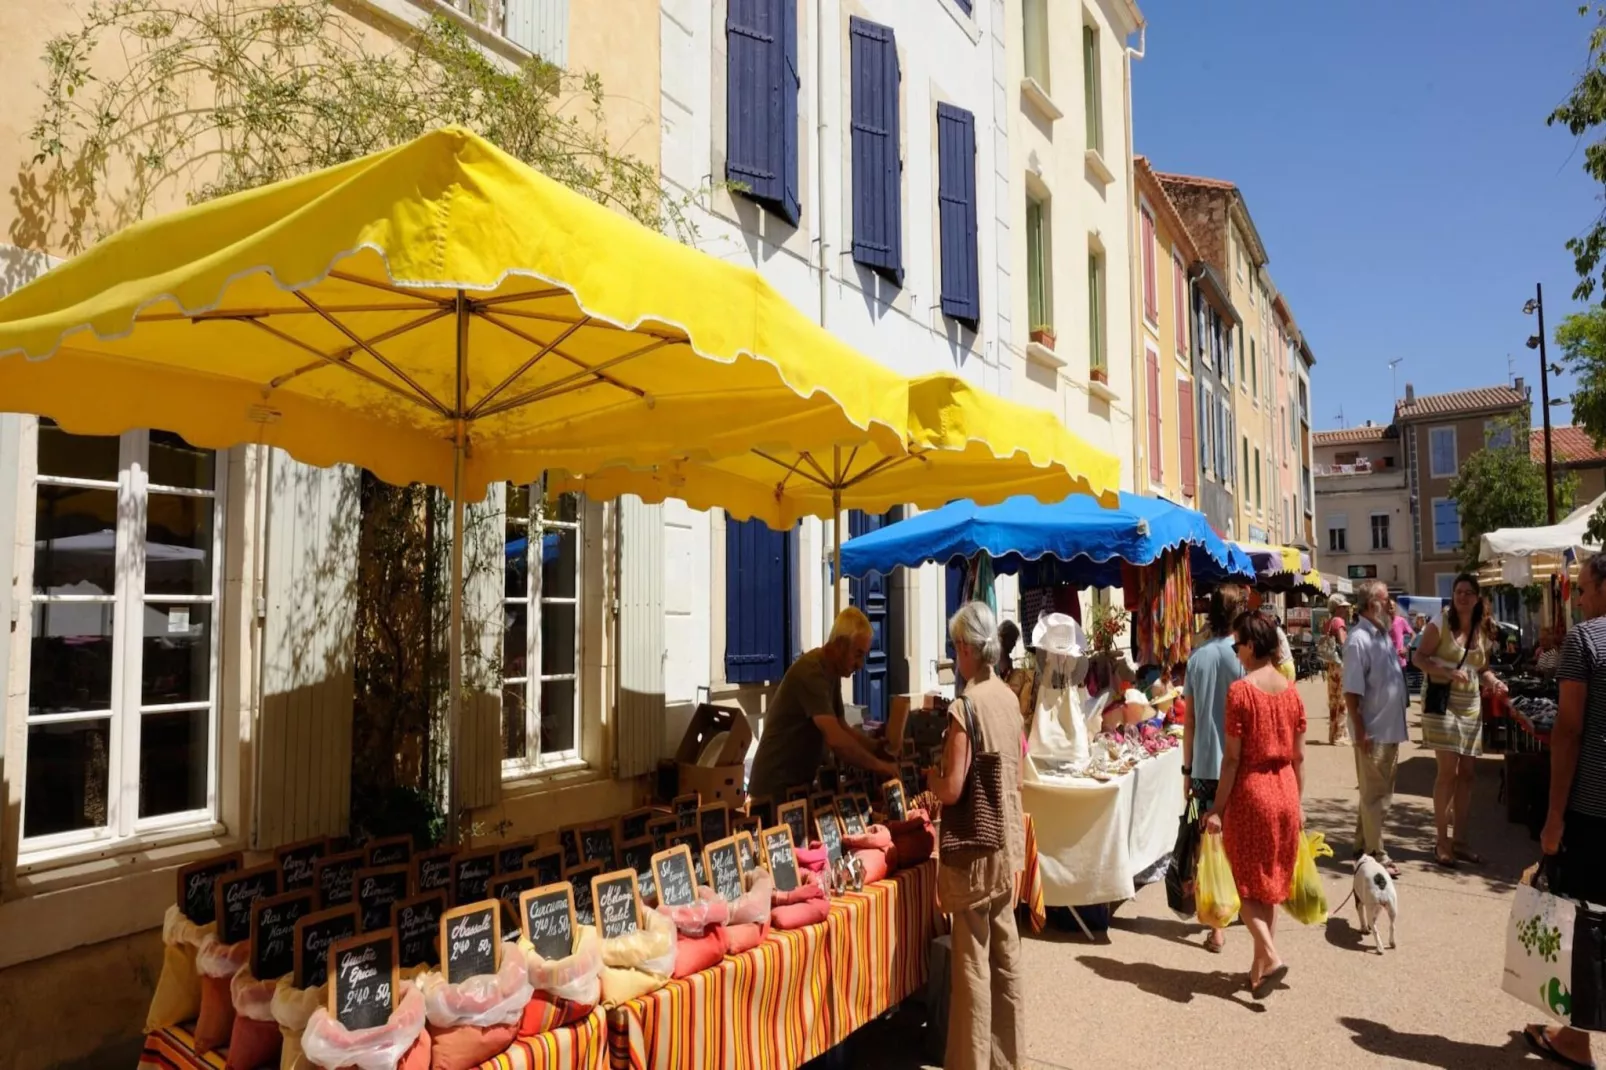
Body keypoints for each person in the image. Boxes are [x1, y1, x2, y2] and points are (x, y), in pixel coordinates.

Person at [927, 601, 1026, 1070]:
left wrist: (930, 778)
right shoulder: (1007, 696)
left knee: (972, 967)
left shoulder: (965, 707)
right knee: (1006, 961)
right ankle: (1009, 1060)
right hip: (1007, 842)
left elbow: (951, 788)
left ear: (966, 649)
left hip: (973, 852)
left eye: (955, 647)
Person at [1523, 553, 1606, 1069]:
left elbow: (1569, 733)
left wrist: (1554, 817)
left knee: (1587, 919)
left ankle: (1577, 1039)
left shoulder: (1587, 640)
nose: (1576, 598)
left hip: (1595, 806)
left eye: (1582, 589)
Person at [1203, 612, 1307, 997]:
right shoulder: (1292, 692)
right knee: (1271, 884)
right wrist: (1298, 803)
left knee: (1243, 882)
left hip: (1252, 791)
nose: (1236, 652)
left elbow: (1232, 758)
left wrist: (1217, 807)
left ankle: (1271, 955)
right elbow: (1299, 757)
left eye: (1237, 645)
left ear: (1251, 645)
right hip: (1284, 790)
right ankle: (1258, 969)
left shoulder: (1241, 692)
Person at [747, 607, 899, 800]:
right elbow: (836, 740)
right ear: (840, 645)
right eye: (858, 654)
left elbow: (842, 727)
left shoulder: (831, 672)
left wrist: (875, 747)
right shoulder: (811, 673)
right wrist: (881, 767)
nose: (861, 665)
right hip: (774, 788)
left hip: (796, 786)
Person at [1413, 573, 1507, 869]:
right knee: (1448, 772)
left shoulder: (1482, 630)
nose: (1462, 596)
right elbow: (1418, 658)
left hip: (1471, 705)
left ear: (1478, 598)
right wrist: (1446, 673)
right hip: (1442, 703)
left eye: (1468, 592)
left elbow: (1481, 669)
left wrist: (1494, 680)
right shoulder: (1440, 623)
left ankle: (1461, 840)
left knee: (1467, 774)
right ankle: (1442, 842)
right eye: (1458, 591)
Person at [1183, 583, 1247, 953]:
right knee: (1233, 838)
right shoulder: (1241, 659)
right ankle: (1233, 907)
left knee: (1206, 843)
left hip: (1204, 767)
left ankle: (1215, 922)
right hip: (1235, 766)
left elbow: (1189, 721)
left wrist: (1186, 770)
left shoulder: (1197, 658)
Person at [1341, 580, 1409, 879]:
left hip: (1389, 729)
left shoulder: (1381, 634)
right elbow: (1352, 692)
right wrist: (1361, 730)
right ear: (1371, 605)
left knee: (1375, 794)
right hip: (1373, 730)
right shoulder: (1358, 640)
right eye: (1386, 599)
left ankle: (1361, 846)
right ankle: (1375, 853)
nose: (1392, 604)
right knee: (1376, 798)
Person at [1323, 596, 1353, 745]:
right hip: (1341, 664)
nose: (1346, 610)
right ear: (1338, 608)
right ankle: (1340, 736)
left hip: (1331, 665)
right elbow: (1343, 642)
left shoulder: (1329, 622)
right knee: (1342, 700)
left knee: (1333, 700)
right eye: (1344, 607)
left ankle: (1333, 734)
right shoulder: (1339, 622)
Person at [997, 618, 1034, 721]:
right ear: (1005, 637)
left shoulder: (1007, 659)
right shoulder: (996, 657)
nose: (1014, 644)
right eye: (1012, 640)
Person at [1387, 598, 1414, 669]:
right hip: (1387, 663)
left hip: (1400, 662)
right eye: (1387, 608)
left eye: (1391, 608)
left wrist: (1406, 648)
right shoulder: (1382, 623)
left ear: (1395, 609)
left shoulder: (1401, 621)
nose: (1389, 610)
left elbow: (1413, 635)